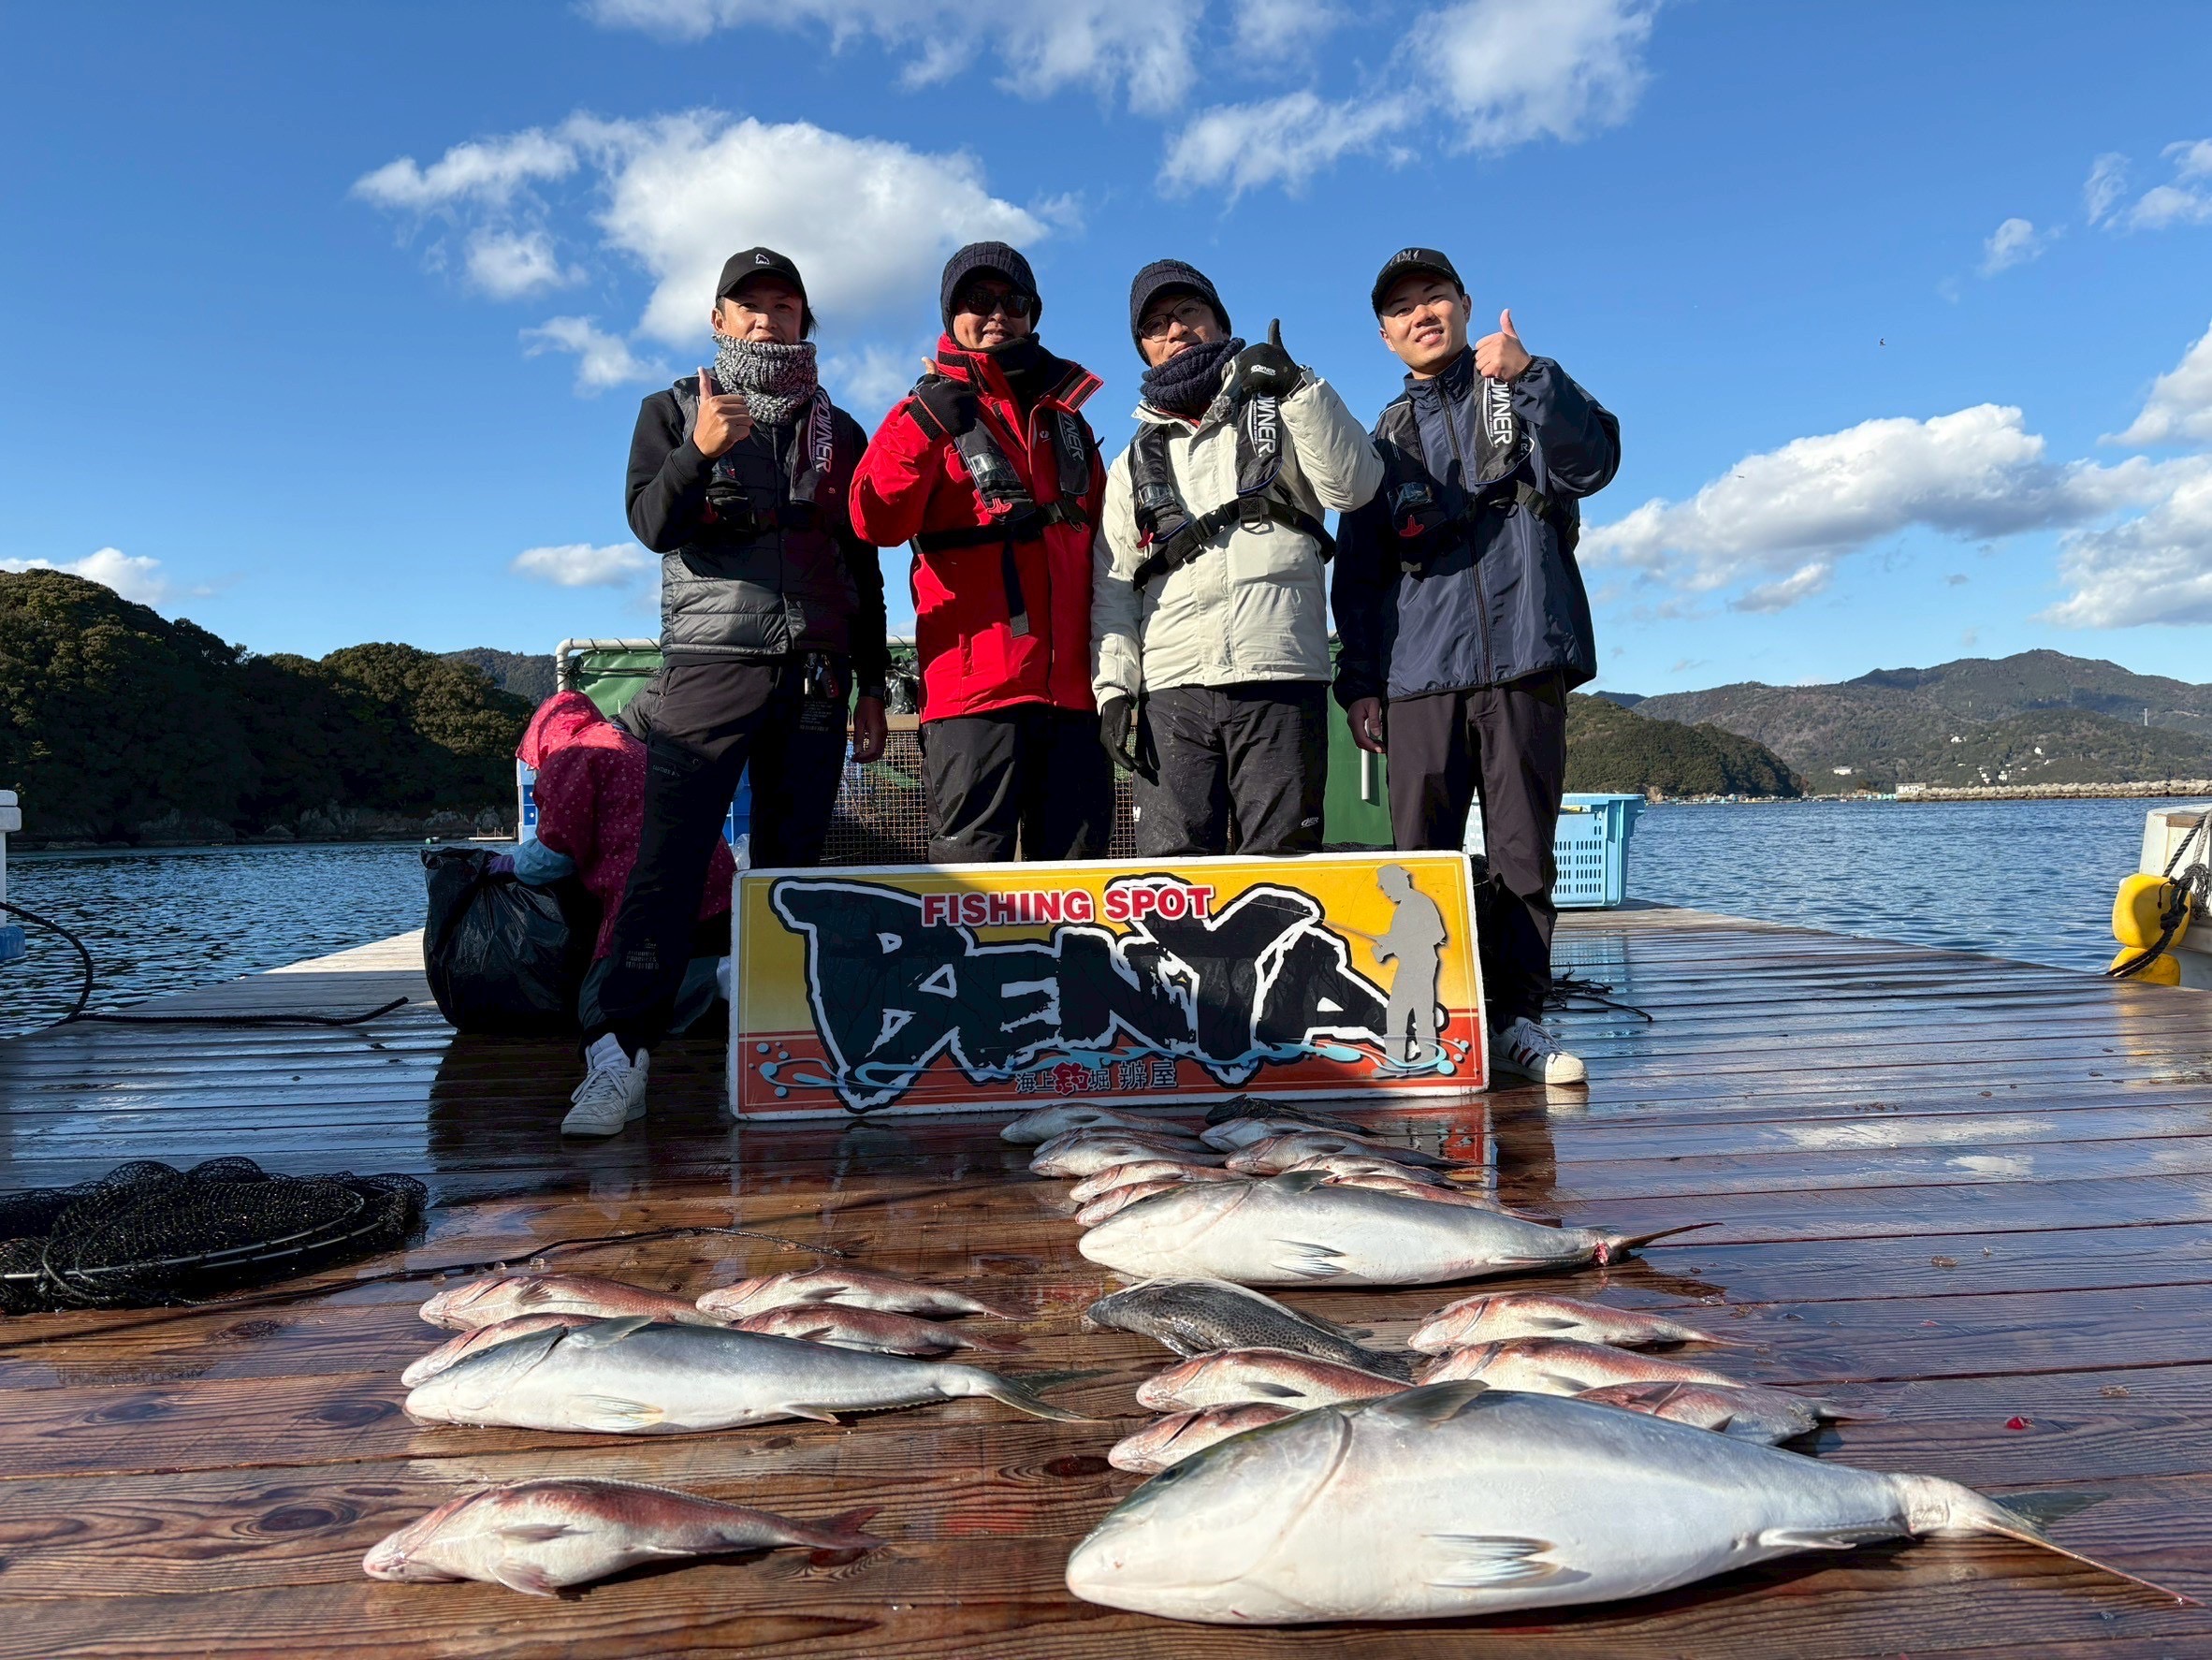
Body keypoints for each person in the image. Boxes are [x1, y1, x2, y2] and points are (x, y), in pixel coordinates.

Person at [565, 247, 890, 1138]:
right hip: (709, 670)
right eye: (748, 306)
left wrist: (872, 684)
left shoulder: (843, 431)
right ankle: (616, 1054)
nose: (766, 320)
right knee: (666, 870)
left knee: (793, 872)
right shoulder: (672, 407)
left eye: (784, 306)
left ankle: (784, 1047)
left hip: (819, 678)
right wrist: (699, 450)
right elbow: (649, 524)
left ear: (804, 322)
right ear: (717, 319)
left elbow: (860, 564)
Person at [1332, 248, 1621, 1087]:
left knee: (1524, 855)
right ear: (1385, 336)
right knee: (1417, 861)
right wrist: (1359, 686)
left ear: (1464, 304)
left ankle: (1520, 1021)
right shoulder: (1380, 438)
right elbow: (1358, 576)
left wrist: (1531, 374)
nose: (1422, 314)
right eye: (1402, 308)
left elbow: (1594, 462)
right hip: (1418, 675)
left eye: (1435, 297)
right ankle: (1425, 1024)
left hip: (1526, 656)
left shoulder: (1524, 392)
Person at [1090, 260, 1381, 855]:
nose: (1174, 331)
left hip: (1280, 671)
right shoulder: (1128, 463)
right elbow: (1115, 588)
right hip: (1172, 686)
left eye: (1188, 312)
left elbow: (1355, 487)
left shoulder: (1286, 402)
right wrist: (1115, 689)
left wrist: (1298, 384)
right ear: (1143, 349)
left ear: (1221, 322)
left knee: (1283, 867)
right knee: (1170, 880)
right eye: (1155, 324)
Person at [851, 242, 1112, 863]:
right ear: (951, 316)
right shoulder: (924, 413)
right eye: (977, 300)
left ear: (1032, 313)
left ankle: (1072, 966)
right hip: (973, 694)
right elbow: (873, 520)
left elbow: (1108, 544)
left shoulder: (1068, 421)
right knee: (970, 882)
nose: (997, 313)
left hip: (1077, 697)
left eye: (1012, 301)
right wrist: (920, 423)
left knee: (1078, 879)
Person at [514, 692, 735, 1037]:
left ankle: (719, 979)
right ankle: (716, 979)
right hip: (715, 882)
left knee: (601, 1010)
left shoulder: (573, 756)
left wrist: (507, 865)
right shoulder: (630, 744)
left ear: (544, 732)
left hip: (657, 890)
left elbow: (554, 856)